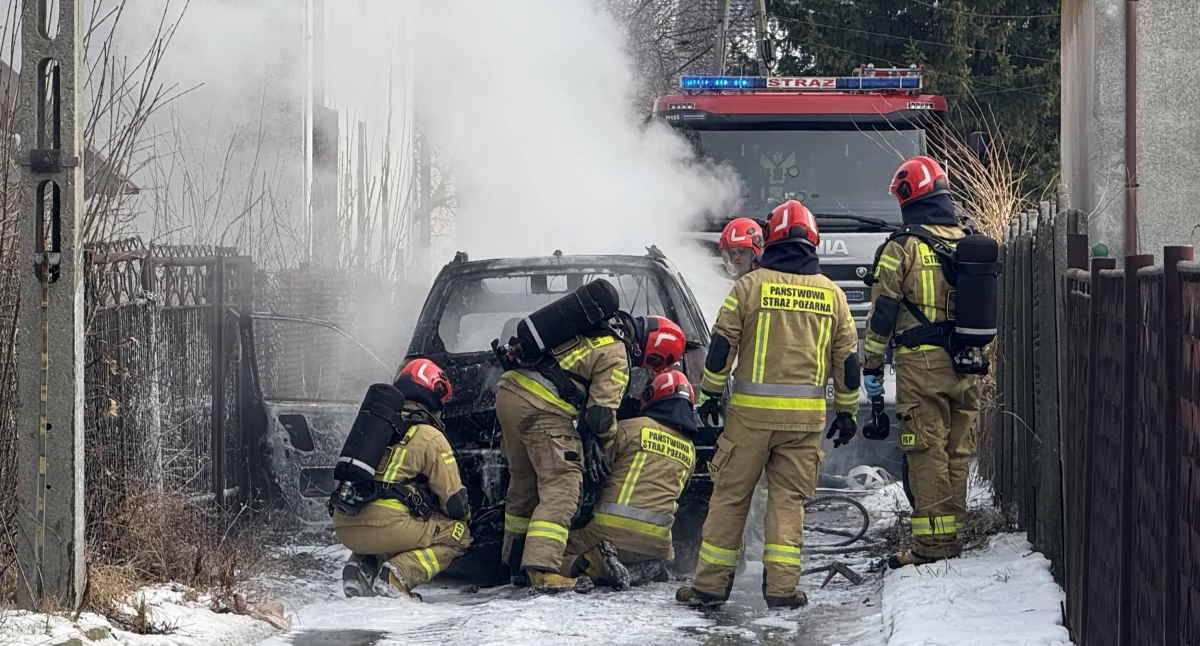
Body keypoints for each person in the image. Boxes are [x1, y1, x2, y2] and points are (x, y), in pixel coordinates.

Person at [676, 199, 861, 610]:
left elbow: (722, 344)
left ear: (770, 239)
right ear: (813, 240)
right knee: (788, 503)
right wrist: (847, 412)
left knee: (730, 497)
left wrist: (708, 394)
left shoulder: (749, 287)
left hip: (749, 420)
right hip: (804, 423)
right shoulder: (833, 295)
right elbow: (847, 361)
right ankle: (782, 590)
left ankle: (708, 587)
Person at [496, 313, 686, 592]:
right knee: (561, 486)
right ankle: (542, 570)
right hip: (542, 407)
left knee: (524, 484)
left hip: (509, 393)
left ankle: (515, 563)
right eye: (652, 361)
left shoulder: (592, 330)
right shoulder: (618, 351)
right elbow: (600, 416)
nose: (644, 365)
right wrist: (607, 439)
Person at [862, 155, 982, 569]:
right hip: (969, 360)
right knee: (958, 449)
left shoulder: (903, 246)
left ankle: (933, 546)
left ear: (909, 196)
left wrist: (872, 365)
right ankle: (954, 535)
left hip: (922, 363)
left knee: (925, 450)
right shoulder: (968, 239)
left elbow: (882, 314)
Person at [332, 358, 470, 600]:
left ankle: (359, 569)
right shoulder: (430, 435)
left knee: (396, 518)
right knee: (459, 534)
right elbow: (455, 502)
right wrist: (466, 517)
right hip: (388, 527)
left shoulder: (375, 425)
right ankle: (397, 576)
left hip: (345, 525)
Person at [559, 369, 698, 590]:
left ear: (652, 396)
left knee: (551, 549)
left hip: (610, 533)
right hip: (659, 545)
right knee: (649, 551)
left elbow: (594, 468)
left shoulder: (630, 428)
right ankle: (647, 568)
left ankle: (593, 567)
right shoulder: (690, 450)